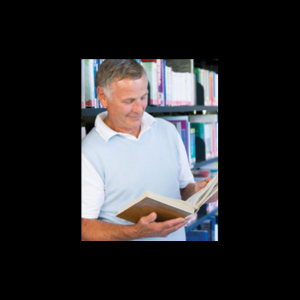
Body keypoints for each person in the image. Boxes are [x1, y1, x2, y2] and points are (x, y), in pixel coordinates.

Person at [81, 59, 218, 241]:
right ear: (102, 95)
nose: (139, 109)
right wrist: (135, 232)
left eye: (143, 97)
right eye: (129, 101)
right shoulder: (89, 153)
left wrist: (201, 194)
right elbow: (85, 227)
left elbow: (184, 189)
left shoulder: (168, 130)